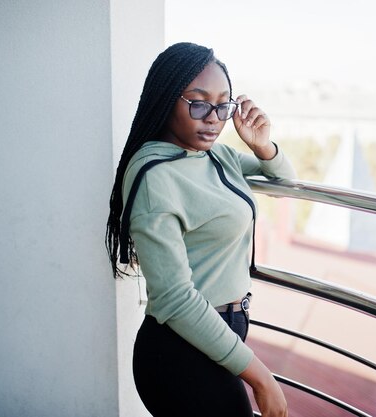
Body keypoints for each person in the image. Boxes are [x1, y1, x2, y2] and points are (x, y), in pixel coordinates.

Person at [106, 42, 294, 417]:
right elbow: (175, 297)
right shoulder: (155, 176)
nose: (213, 118)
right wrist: (262, 377)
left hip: (221, 333)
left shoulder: (217, 156)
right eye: (198, 103)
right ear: (165, 100)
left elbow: (285, 181)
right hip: (179, 351)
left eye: (223, 105)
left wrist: (262, 146)